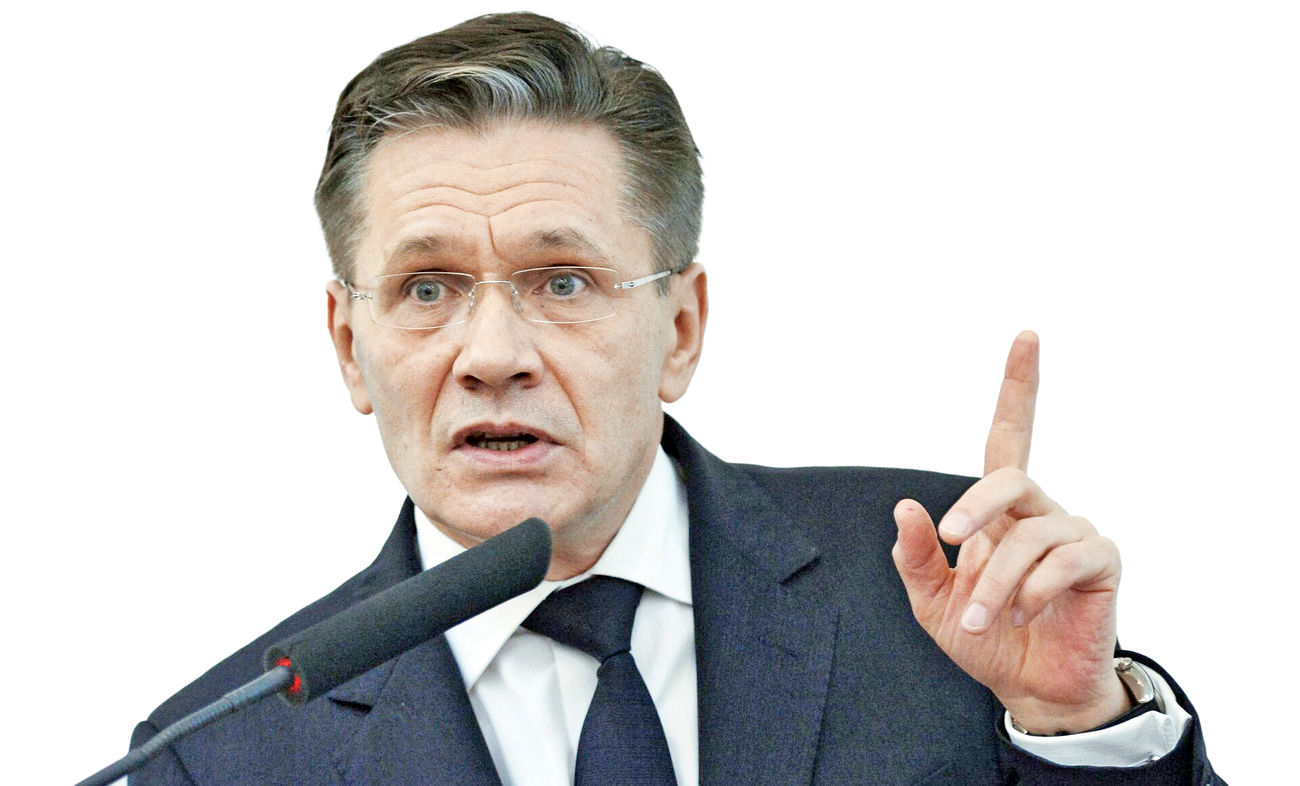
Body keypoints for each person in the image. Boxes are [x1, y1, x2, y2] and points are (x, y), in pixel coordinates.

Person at [129, 12, 1221, 785]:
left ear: (682, 328)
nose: (492, 355)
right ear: (347, 345)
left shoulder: (949, 587)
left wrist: (1078, 728)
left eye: (563, 282)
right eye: (427, 289)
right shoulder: (218, 755)